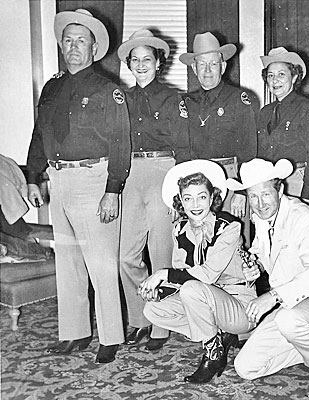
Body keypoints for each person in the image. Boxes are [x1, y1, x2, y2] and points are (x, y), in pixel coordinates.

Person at [26, 9, 131, 363]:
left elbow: (121, 142)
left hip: (93, 180)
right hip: (58, 179)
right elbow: (39, 135)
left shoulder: (107, 89)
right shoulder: (52, 86)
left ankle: (111, 336)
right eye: (68, 40)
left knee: (101, 263)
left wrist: (113, 190)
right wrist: (32, 177)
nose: (73, 47)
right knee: (69, 260)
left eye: (80, 40)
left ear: (94, 46)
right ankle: (74, 332)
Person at [228, 158, 309, 398]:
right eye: (252, 196)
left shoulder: (303, 218)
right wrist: (255, 266)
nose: (260, 203)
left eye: (265, 194)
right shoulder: (262, 219)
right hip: (291, 305)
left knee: (288, 320)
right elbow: (267, 253)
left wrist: (272, 297)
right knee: (246, 368)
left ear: (280, 189)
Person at [140, 160, 256, 384]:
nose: (195, 204)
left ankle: (213, 355)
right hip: (204, 300)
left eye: (202, 197)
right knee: (153, 310)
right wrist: (160, 291)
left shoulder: (229, 226)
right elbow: (182, 273)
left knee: (193, 289)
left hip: (239, 304)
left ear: (212, 198)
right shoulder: (179, 229)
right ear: (180, 202)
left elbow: (207, 275)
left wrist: (163, 274)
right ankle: (218, 337)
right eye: (188, 198)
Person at [117, 29, 190, 351]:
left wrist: (179, 191)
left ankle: (160, 323)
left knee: (162, 253)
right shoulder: (120, 100)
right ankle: (139, 318)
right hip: (131, 174)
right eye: (136, 60)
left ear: (159, 63)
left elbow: (185, 148)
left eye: (148, 59)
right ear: (129, 65)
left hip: (164, 171)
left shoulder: (174, 99)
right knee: (125, 256)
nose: (142, 64)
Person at [179, 32, 257, 246]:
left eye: (213, 64)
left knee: (235, 243)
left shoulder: (240, 99)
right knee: (201, 243)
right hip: (197, 181)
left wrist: (241, 190)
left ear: (223, 67)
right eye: (202, 64)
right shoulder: (185, 102)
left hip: (230, 178)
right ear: (193, 68)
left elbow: (249, 149)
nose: (207, 71)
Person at [257, 47, 309, 201]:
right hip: (269, 183)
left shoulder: (307, 108)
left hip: (295, 182)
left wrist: (307, 193)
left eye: (281, 74)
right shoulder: (265, 112)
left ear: (294, 78)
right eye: (270, 75)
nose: (275, 80)